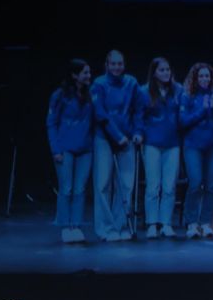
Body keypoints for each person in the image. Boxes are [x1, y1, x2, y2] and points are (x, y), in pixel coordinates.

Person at [90, 50, 143, 241]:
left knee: (126, 184)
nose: (117, 67)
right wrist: (117, 136)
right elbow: (100, 114)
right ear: (107, 65)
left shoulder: (132, 83)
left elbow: (138, 110)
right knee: (103, 183)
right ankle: (106, 228)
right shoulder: (98, 84)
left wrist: (137, 132)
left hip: (127, 139)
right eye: (113, 64)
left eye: (120, 64)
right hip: (104, 138)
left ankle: (121, 226)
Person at [46, 59, 94, 243]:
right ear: (74, 75)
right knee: (66, 188)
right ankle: (65, 226)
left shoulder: (90, 95)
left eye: (89, 72)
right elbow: (51, 123)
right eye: (85, 73)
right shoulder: (59, 95)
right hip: (64, 149)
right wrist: (55, 150)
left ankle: (77, 226)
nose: (89, 76)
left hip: (85, 149)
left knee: (80, 189)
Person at [138, 57, 184, 238]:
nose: (166, 73)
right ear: (154, 72)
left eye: (168, 70)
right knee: (153, 185)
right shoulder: (144, 91)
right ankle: (151, 223)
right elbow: (139, 117)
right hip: (151, 143)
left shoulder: (178, 90)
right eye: (162, 70)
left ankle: (166, 223)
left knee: (169, 186)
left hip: (172, 143)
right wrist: (139, 134)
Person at [179, 62, 213, 238]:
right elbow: (183, 121)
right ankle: (191, 223)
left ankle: (205, 222)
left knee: (210, 186)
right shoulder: (187, 95)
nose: (205, 79)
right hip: (193, 145)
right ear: (195, 78)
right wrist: (202, 110)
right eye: (201, 76)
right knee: (195, 182)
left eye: (207, 76)